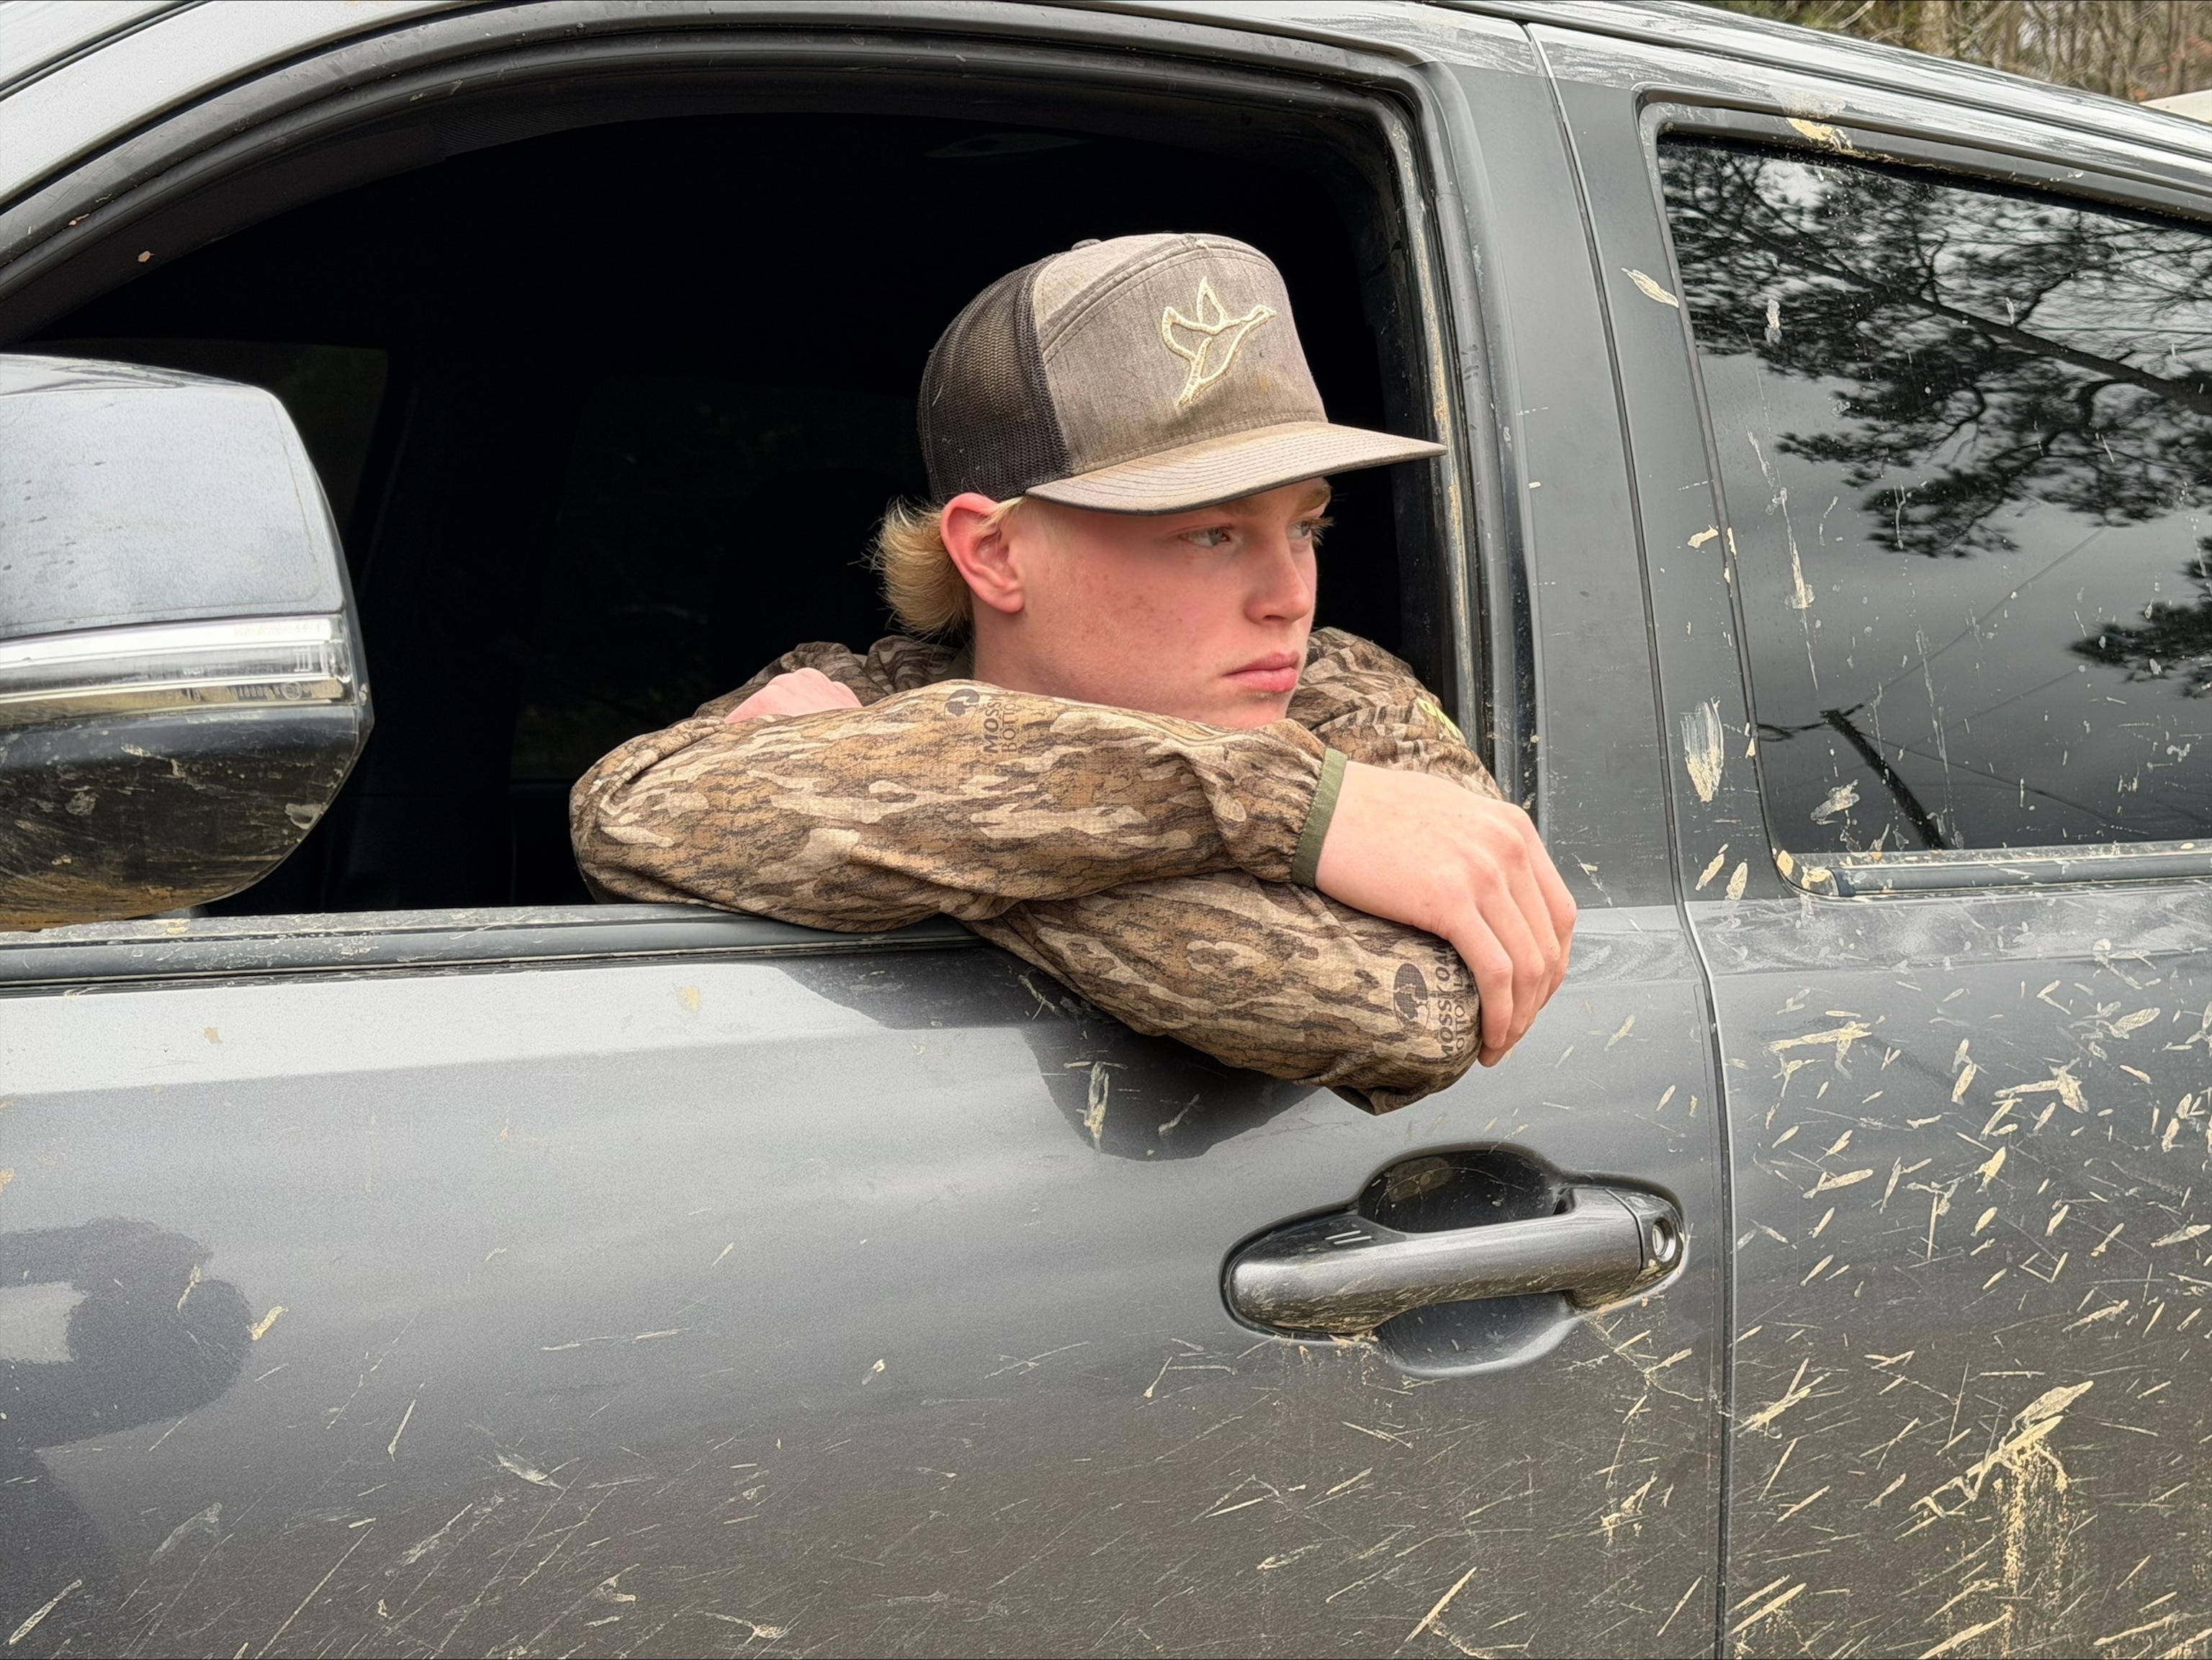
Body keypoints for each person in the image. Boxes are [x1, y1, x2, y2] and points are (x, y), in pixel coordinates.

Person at [572, 233, 1575, 1111]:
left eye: (1306, 524)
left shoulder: (1346, 694)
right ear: (997, 554)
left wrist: (913, 848)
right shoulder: (860, 686)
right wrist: (1292, 810)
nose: (1290, 595)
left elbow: (1420, 1005)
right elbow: (630, 816)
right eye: (1214, 532)